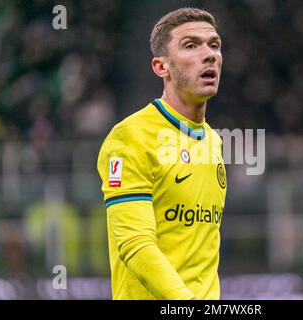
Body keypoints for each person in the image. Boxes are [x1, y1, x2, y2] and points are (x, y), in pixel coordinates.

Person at [97, 7, 226, 300]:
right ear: (161, 67)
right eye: (191, 45)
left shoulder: (213, 141)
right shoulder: (130, 137)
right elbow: (135, 243)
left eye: (214, 45)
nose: (209, 55)